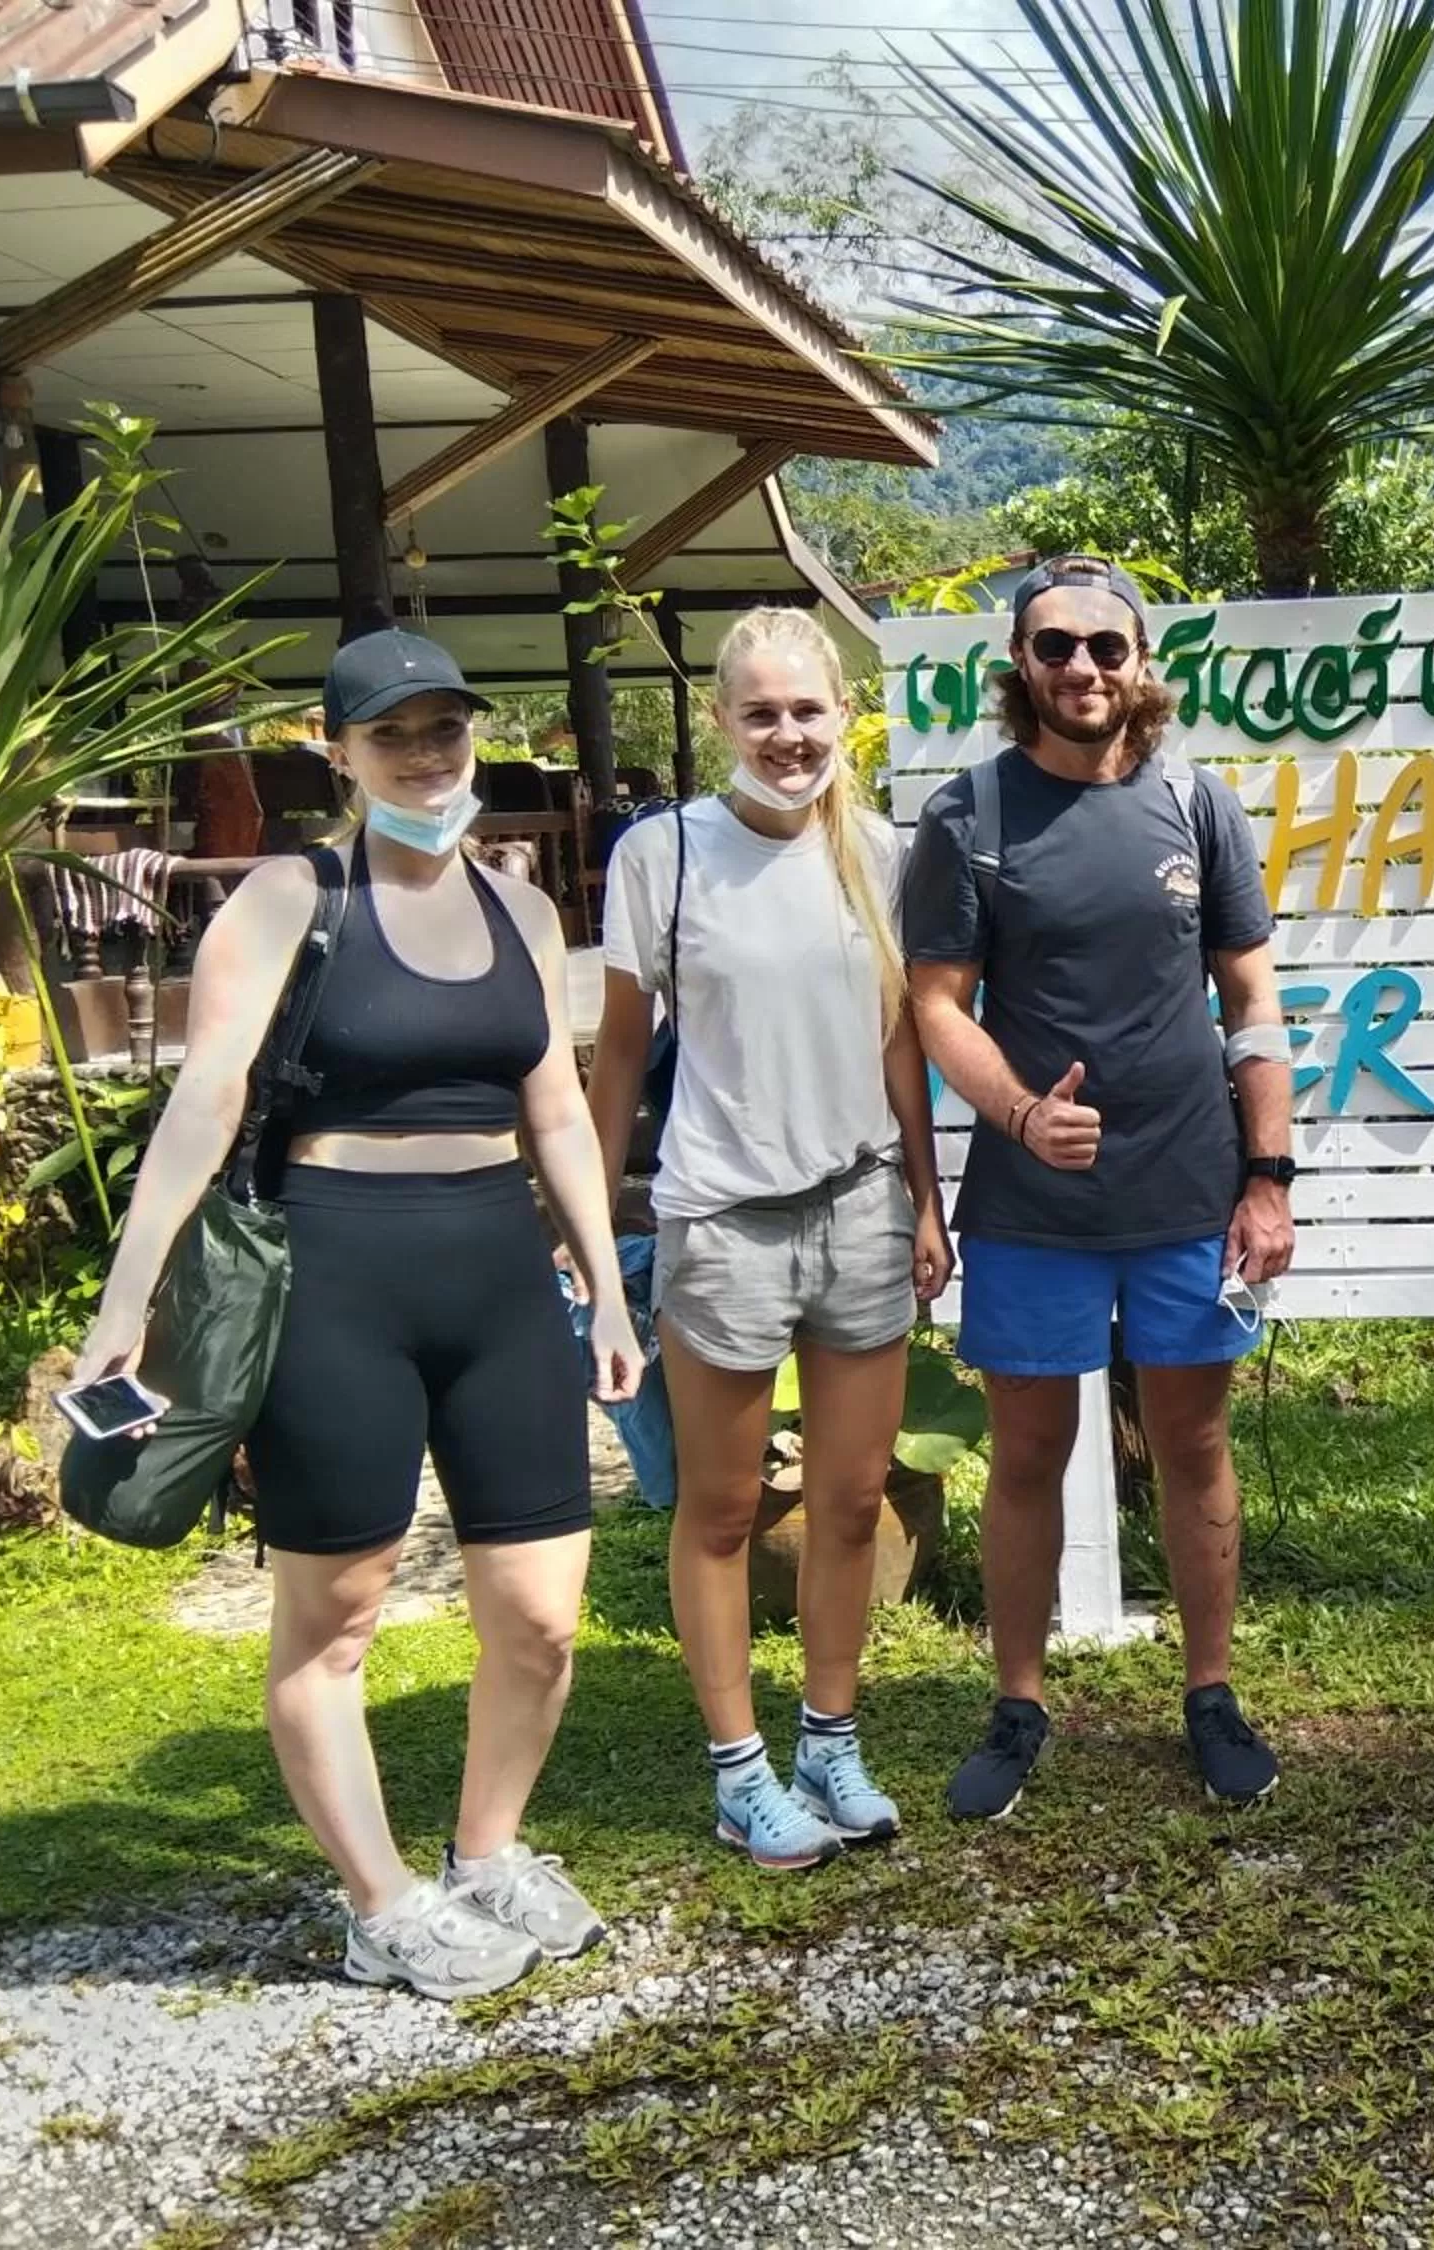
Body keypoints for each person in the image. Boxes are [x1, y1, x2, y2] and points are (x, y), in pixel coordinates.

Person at [68, 629, 641, 1999]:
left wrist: (608, 1278)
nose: (429, 756)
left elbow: (554, 1105)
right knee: (335, 1617)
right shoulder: (285, 898)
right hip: (334, 1272)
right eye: (394, 735)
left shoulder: (523, 908)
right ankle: (380, 1903)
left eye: (447, 729)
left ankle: (488, 1852)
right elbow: (206, 1101)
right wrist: (124, 1301)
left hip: (499, 1270)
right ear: (339, 750)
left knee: (543, 1614)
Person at [900, 554, 1297, 1820]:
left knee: (1191, 1440)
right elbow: (933, 1008)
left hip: (1189, 1191)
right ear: (1020, 665)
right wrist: (1019, 1114)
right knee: (1027, 1451)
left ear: (1142, 667)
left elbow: (1251, 1003)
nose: (1083, 668)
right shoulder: (972, 817)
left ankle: (1212, 1696)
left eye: (1107, 649)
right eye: (1056, 646)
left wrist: (1271, 1178)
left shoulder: (1199, 806)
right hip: (1034, 1208)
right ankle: (1018, 1706)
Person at [585, 607, 953, 1871]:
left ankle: (831, 1742)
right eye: (761, 713)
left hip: (859, 1206)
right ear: (721, 722)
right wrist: (592, 1226)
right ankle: (740, 1773)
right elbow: (622, 1049)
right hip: (722, 1218)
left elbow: (902, 1036)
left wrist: (925, 1194)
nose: (788, 736)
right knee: (723, 1507)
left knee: (852, 1500)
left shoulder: (881, 853)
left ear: (841, 710)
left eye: (807, 710)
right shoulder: (664, 855)